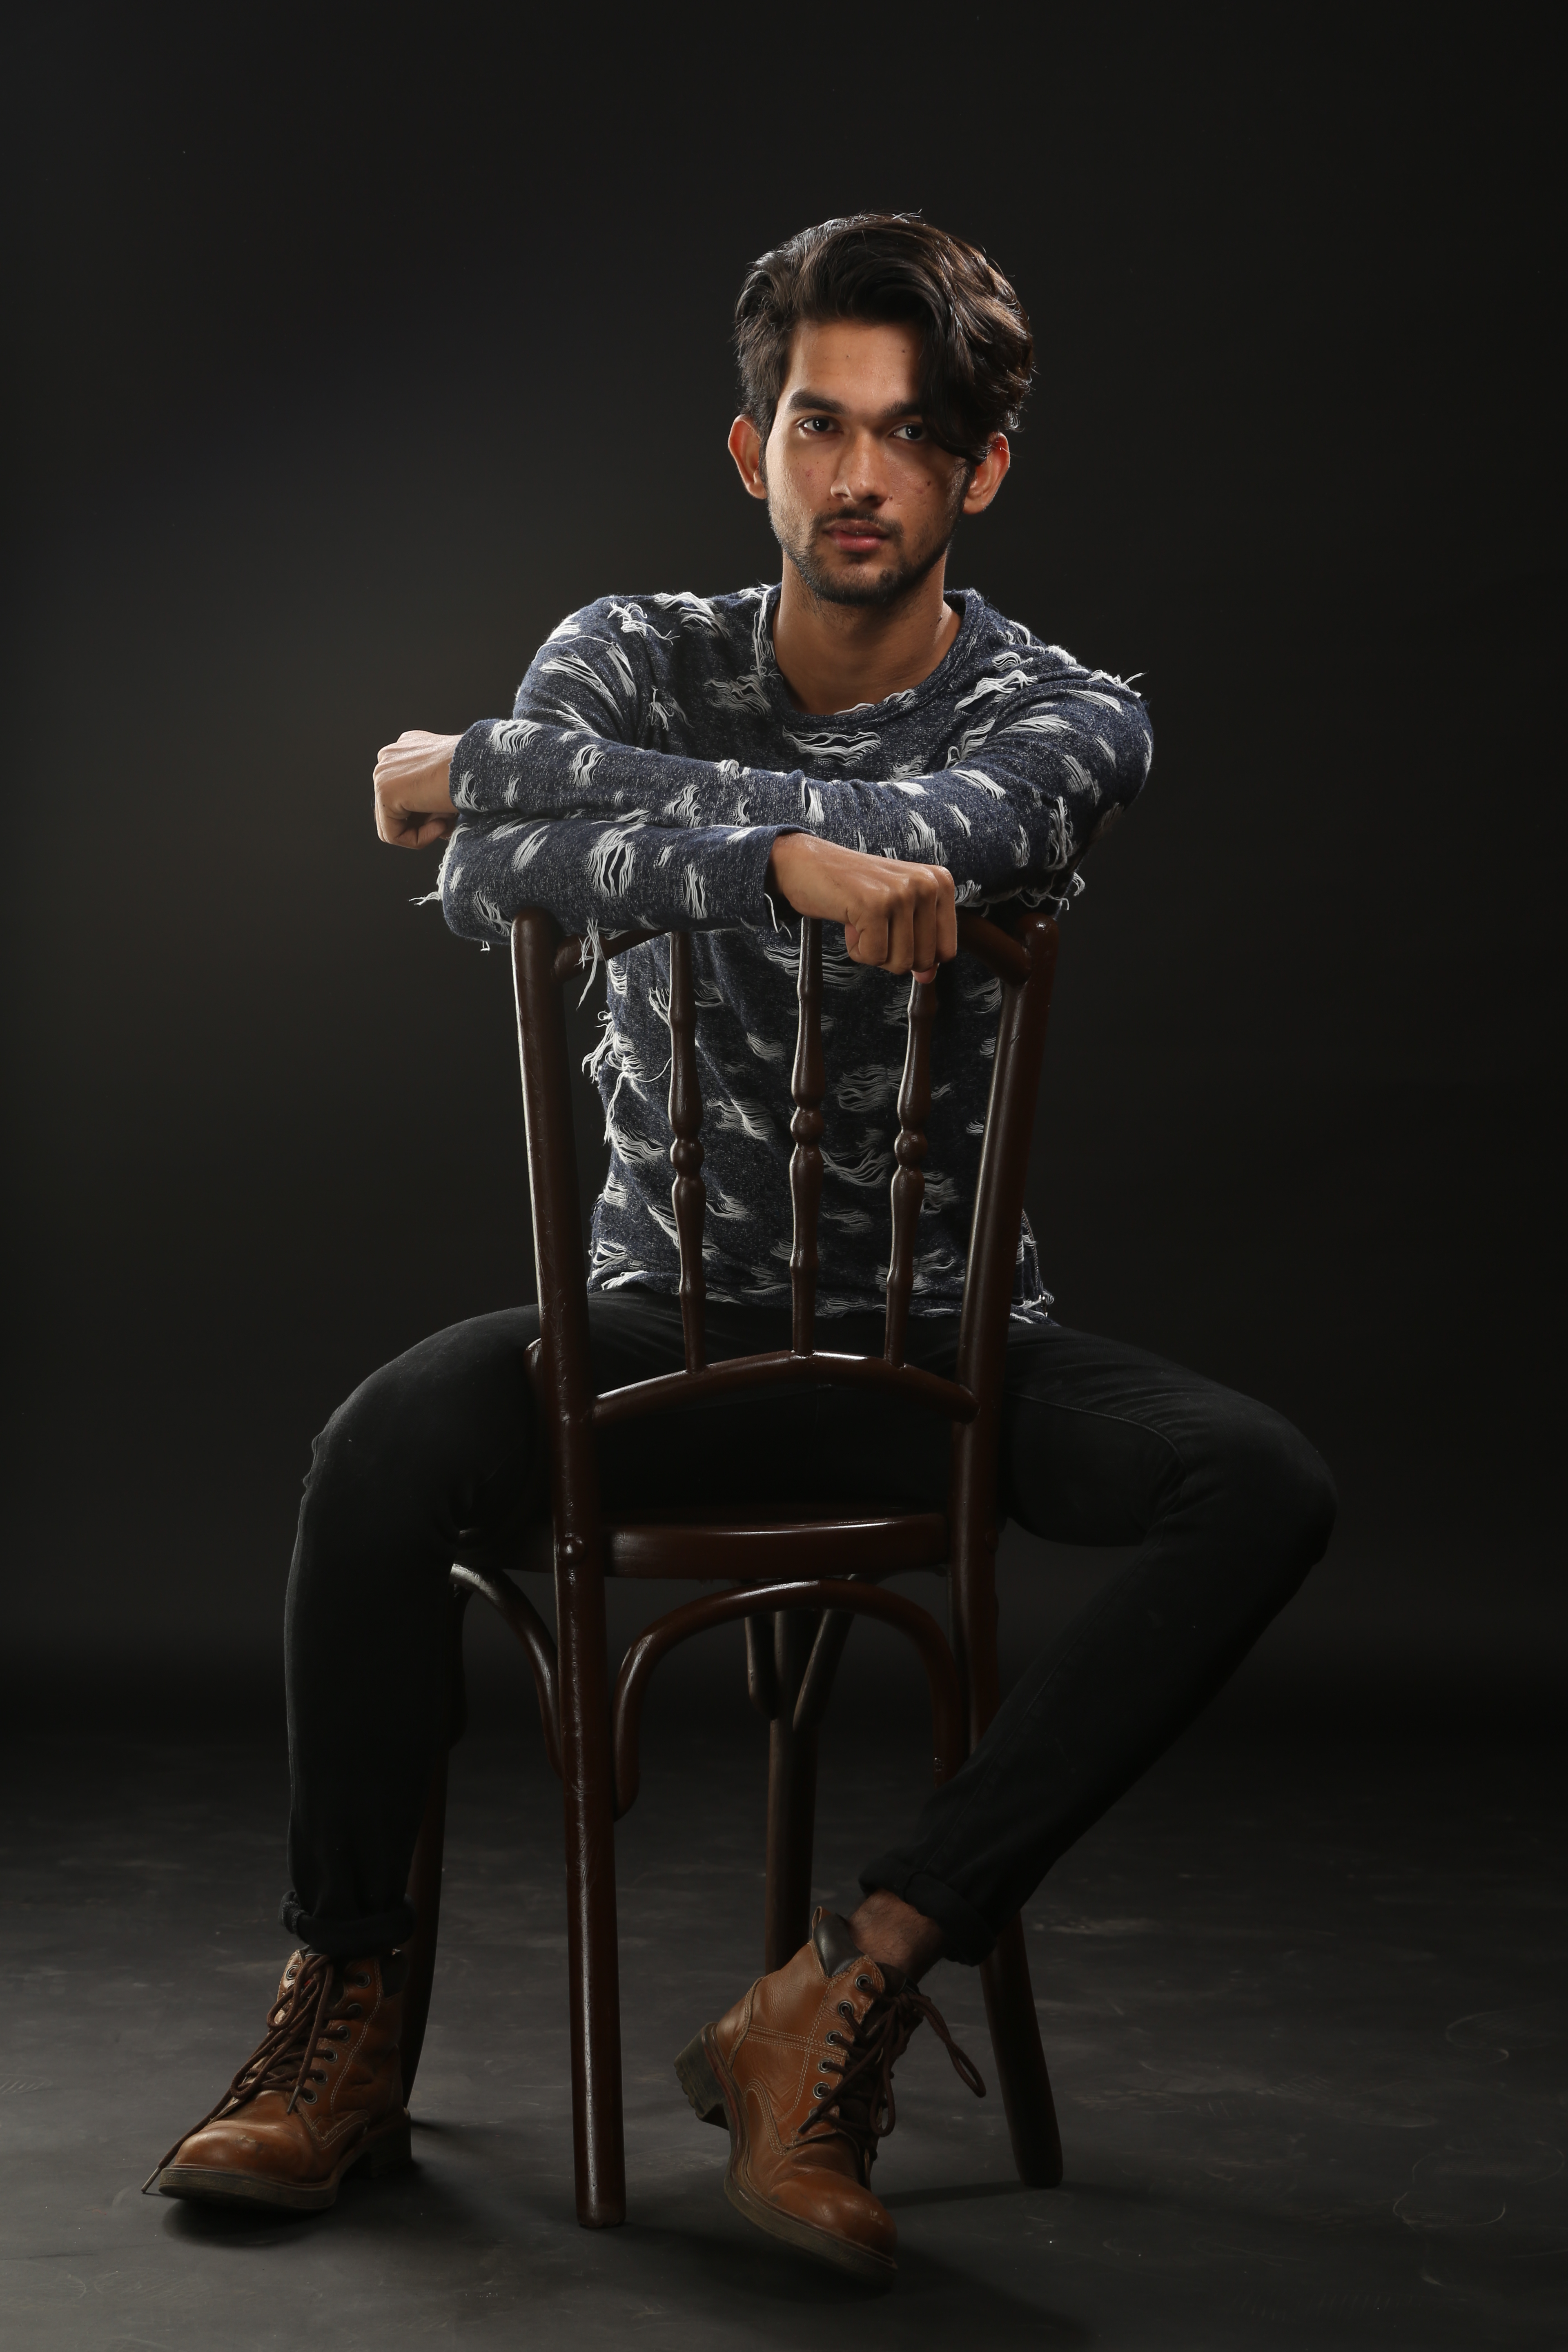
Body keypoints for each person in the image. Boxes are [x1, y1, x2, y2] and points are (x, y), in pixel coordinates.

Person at [146, 213, 1335, 2277]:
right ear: (751, 449)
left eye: (913, 433)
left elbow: (932, 838)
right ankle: (345, 2019)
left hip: (938, 1353)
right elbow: (485, 888)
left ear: (981, 469)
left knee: (1260, 1486)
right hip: (653, 1338)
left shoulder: (1064, 711)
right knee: (381, 1448)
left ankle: (851, 1979)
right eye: (820, 425)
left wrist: (495, 768)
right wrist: (776, 851)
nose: (861, 473)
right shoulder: (630, 648)